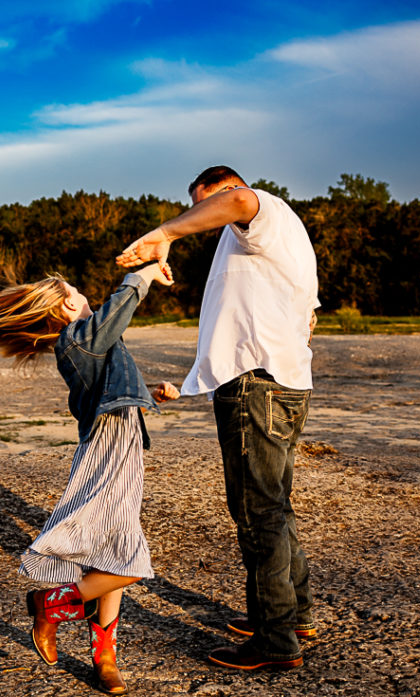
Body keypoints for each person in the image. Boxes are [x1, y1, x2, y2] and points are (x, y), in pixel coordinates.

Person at [117, 165, 319, 671]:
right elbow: (302, 318)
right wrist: (192, 383)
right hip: (279, 381)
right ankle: (291, 615)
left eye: (204, 204)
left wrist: (164, 233)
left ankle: (275, 641)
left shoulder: (260, 210)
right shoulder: (277, 241)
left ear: (228, 189)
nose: (205, 217)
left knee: (259, 514)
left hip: (258, 387)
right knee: (275, 505)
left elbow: (240, 202)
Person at [0, 262, 175, 695]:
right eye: (74, 289)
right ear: (65, 307)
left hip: (122, 443)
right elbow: (119, 309)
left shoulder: (87, 343)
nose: (82, 292)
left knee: (111, 551)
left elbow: (107, 388)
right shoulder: (78, 339)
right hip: (108, 448)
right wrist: (145, 272)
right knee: (130, 564)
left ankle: (105, 656)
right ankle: (50, 603)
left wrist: (148, 391)